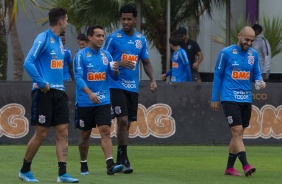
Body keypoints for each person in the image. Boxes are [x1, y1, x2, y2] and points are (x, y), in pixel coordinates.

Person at [19, 8, 79, 183]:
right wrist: (42, 82)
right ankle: (25, 170)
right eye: (66, 20)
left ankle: (62, 174)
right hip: (44, 92)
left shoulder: (60, 43)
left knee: (63, 132)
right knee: (42, 134)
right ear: (61, 21)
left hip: (59, 93)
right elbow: (28, 62)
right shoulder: (42, 38)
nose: (67, 23)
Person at [103, 4, 157, 174]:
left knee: (127, 124)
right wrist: (119, 64)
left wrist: (153, 80)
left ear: (135, 20)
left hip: (132, 87)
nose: (125, 22)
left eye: (129, 19)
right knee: (123, 120)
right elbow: (103, 61)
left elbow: (146, 62)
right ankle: (125, 159)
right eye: (123, 19)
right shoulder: (113, 38)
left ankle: (120, 159)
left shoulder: (141, 39)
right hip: (115, 84)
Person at [211, 26, 266, 177]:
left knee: (238, 135)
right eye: (246, 39)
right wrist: (215, 98)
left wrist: (260, 82)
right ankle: (246, 165)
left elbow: (257, 74)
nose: (249, 43)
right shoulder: (226, 52)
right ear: (239, 35)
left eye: (252, 40)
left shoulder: (253, 55)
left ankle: (229, 168)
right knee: (237, 131)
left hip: (246, 98)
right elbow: (218, 75)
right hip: (229, 98)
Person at [74, 25, 123, 176]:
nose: (101, 38)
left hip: (103, 100)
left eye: (103, 36)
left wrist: (115, 70)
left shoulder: (107, 56)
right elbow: (77, 77)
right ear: (90, 37)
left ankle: (110, 164)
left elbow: (114, 77)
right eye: (98, 36)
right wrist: (89, 94)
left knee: (106, 131)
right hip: (85, 101)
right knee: (84, 136)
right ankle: (83, 163)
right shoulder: (80, 56)